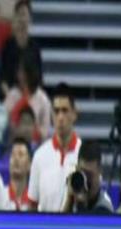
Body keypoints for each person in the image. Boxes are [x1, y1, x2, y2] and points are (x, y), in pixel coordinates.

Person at [28, 83, 81, 212]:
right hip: (45, 224)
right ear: (51, 115)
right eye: (56, 111)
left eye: (65, 110)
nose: (60, 117)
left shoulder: (83, 153)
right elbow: (32, 206)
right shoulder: (39, 156)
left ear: (74, 114)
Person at [62, 142, 113, 213]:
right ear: (77, 168)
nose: (85, 180)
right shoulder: (75, 196)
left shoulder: (105, 206)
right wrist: (69, 199)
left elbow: (85, 220)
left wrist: (80, 204)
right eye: (82, 173)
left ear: (100, 172)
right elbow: (62, 220)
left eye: (89, 175)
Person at [4, 137, 32, 211]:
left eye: (21, 154)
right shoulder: (0, 196)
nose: (16, 158)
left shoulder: (34, 202)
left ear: (29, 165)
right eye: (13, 154)